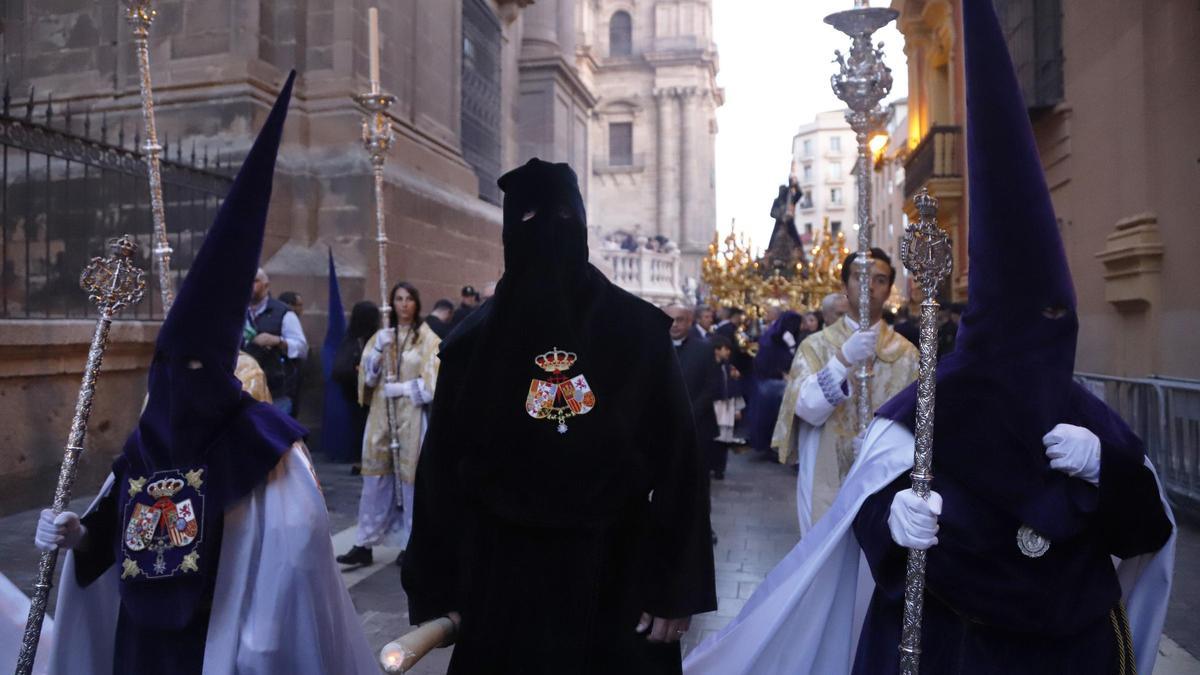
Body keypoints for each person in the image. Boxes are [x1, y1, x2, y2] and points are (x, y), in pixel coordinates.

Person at [683, 4, 1175, 672]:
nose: (877, 292)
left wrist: (1107, 470)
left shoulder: (1071, 416)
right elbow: (829, 447)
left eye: (884, 282)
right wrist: (889, 520)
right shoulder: (920, 397)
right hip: (947, 640)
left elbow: (1144, 527)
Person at [33, 74, 379, 674]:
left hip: (217, 649)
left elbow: (296, 557)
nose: (176, 382)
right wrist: (73, 536)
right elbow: (115, 543)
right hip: (137, 649)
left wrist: (260, 640)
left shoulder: (262, 445)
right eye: (165, 366)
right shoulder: (148, 442)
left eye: (191, 367)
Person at [401, 158, 716, 674]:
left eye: (562, 218)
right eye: (529, 221)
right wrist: (436, 588)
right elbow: (439, 474)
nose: (547, 233)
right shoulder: (471, 344)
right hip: (502, 583)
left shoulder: (637, 331)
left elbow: (681, 461)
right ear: (508, 232)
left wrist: (674, 588)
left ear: (582, 226)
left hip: (616, 578)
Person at [773, 248, 919, 533]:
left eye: (879, 280)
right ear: (844, 286)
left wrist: (880, 443)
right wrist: (841, 362)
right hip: (825, 477)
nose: (869, 287)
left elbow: (918, 426)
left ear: (889, 289)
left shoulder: (907, 355)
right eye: (859, 277)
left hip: (883, 480)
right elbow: (805, 409)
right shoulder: (815, 346)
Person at [337, 282, 440, 567]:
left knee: (410, 482)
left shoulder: (426, 338)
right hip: (382, 414)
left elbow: (434, 380)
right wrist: (375, 357)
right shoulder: (381, 336)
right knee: (375, 480)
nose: (403, 304)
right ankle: (364, 542)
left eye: (408, 299)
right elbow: (366, 381)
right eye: (398, 298)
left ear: (417, 303)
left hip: (410, 416)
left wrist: (406, 389)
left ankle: (412, 543)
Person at [243, 268, 308, 415]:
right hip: (243, 388)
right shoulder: (237, 311)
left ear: (266, 285)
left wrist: (278, 341)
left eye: (255, 281)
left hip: (275, 390)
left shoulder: (283, 312)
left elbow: (302, 347)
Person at [328, 301, 381, 464]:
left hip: (352, 391)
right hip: (362, 390)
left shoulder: (350, 337)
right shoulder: (367, 339)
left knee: (358, 425)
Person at [745, 311, 803, 454]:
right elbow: (765, 363)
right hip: (771, 384)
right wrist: (781, 373)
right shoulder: (772, 340)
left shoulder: (781, 338)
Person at [710, 334, 745, 480]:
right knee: (712, 439)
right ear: (717, 350)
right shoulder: (709, 367)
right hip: (714, 406)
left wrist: (737, 408)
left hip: (727, 407)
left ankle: (720, 469)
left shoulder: (729, 368)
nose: (728, 352)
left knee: (723, 441)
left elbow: (734, 388)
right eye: (725, 349)